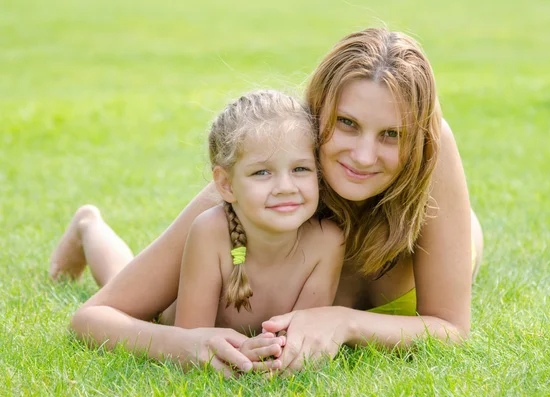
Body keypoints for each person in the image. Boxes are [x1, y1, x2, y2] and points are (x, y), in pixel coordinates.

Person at [55, 27, 483, 375]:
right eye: (347, 124)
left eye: (391, 134)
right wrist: (181, 344)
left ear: (418, 137)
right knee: (152, 302)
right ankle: (90, 226)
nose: (364, 156)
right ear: (317, 116)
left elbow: (450, 327)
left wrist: (344, 321)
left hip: (440, 231)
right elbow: (101, 315)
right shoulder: (274, 176)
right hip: (230, 274)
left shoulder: (432, 153)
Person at [53, 90, 344, 376]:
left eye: (300, 169)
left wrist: (268, 350)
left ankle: (88, 225)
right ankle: (88, 224)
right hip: (167, 315)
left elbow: (301, 339)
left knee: (121, 272)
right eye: (262, 173)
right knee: (121, 283)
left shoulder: (327, 242)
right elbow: (191, 339)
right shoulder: (211, 231)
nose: (285, 187)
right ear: (226, 185)